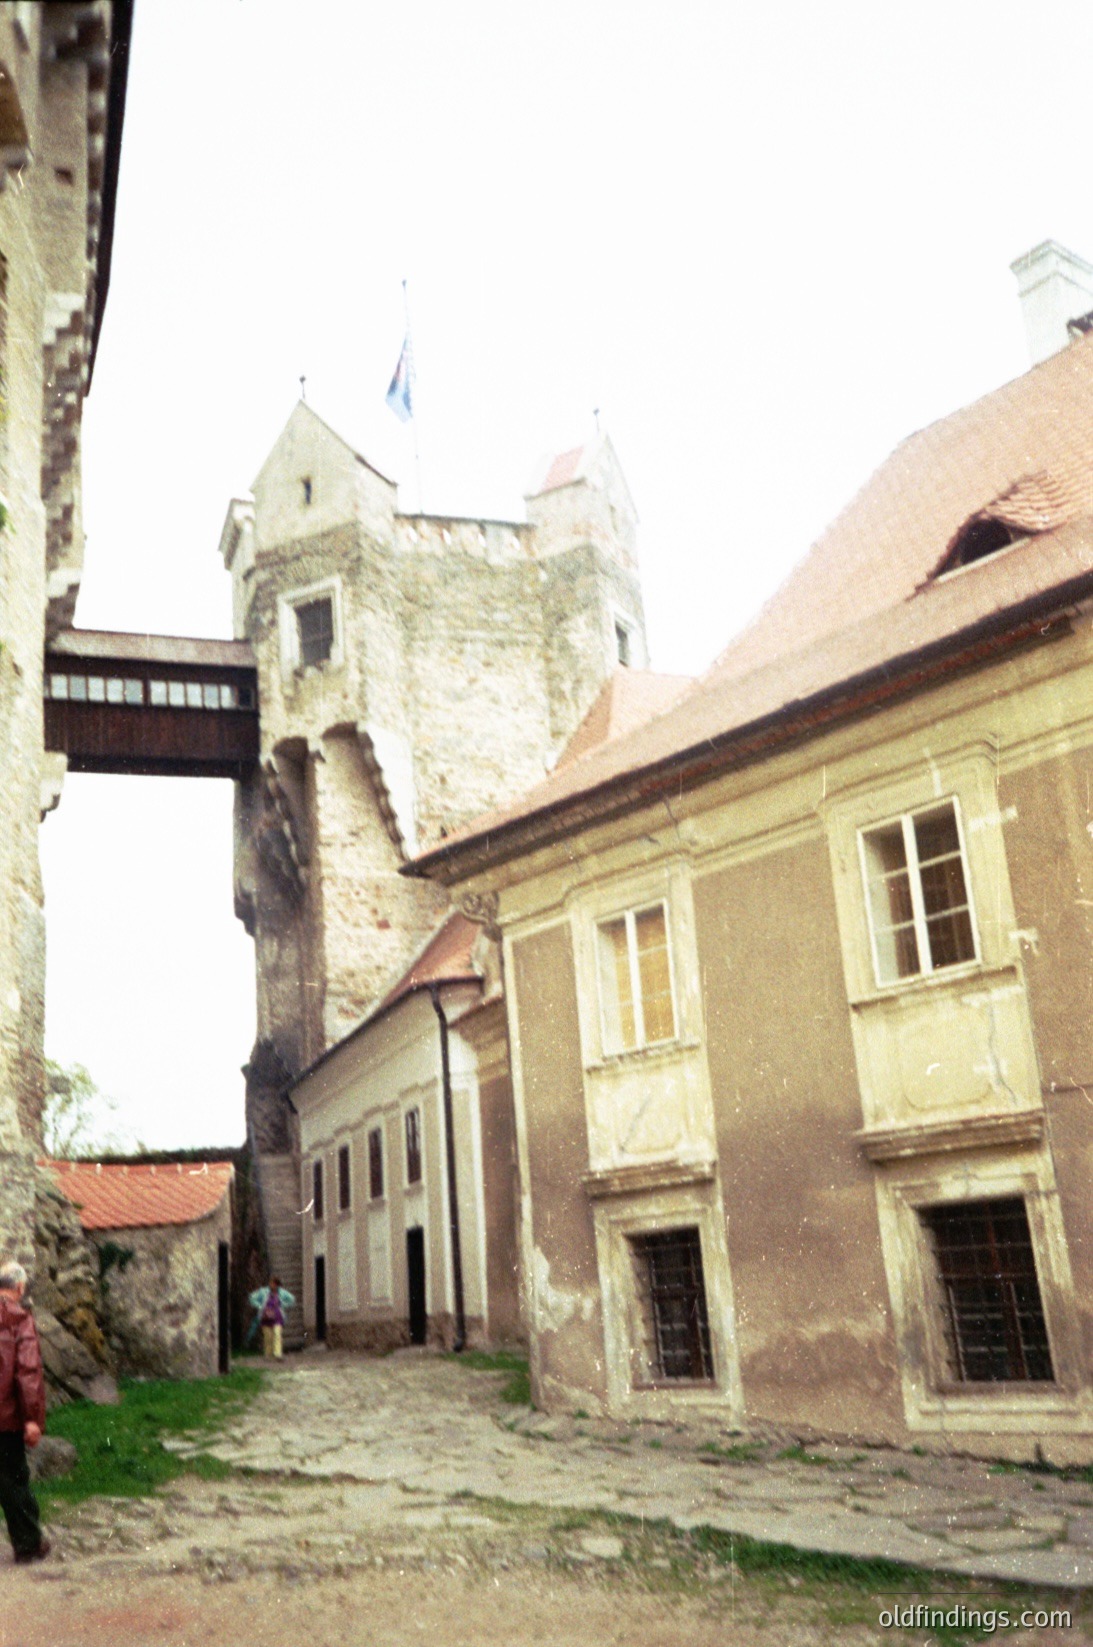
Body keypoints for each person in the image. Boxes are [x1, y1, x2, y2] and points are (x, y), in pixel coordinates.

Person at [0, 1259, 49, 1564]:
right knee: (14, 1480)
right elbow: (28, 1372)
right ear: (19, 1288)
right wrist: (32, 1418)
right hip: (5, 1419)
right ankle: (29, 1545)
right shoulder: (19, 1320)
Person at [248, 1277, 294, 1359]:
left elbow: (292, 1299)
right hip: (265, 1318)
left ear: (278, 1285)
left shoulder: (282, 1293)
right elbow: (252, 1298)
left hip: (277, 1317)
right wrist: (260, 1306)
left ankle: (278, 1354)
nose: (272, 1285)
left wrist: (283, 1305)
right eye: (271, 1283)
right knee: (268, 1337)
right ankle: (268, 1354)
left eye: (275, 1284)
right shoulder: (263, 1291)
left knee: (277, 1334)